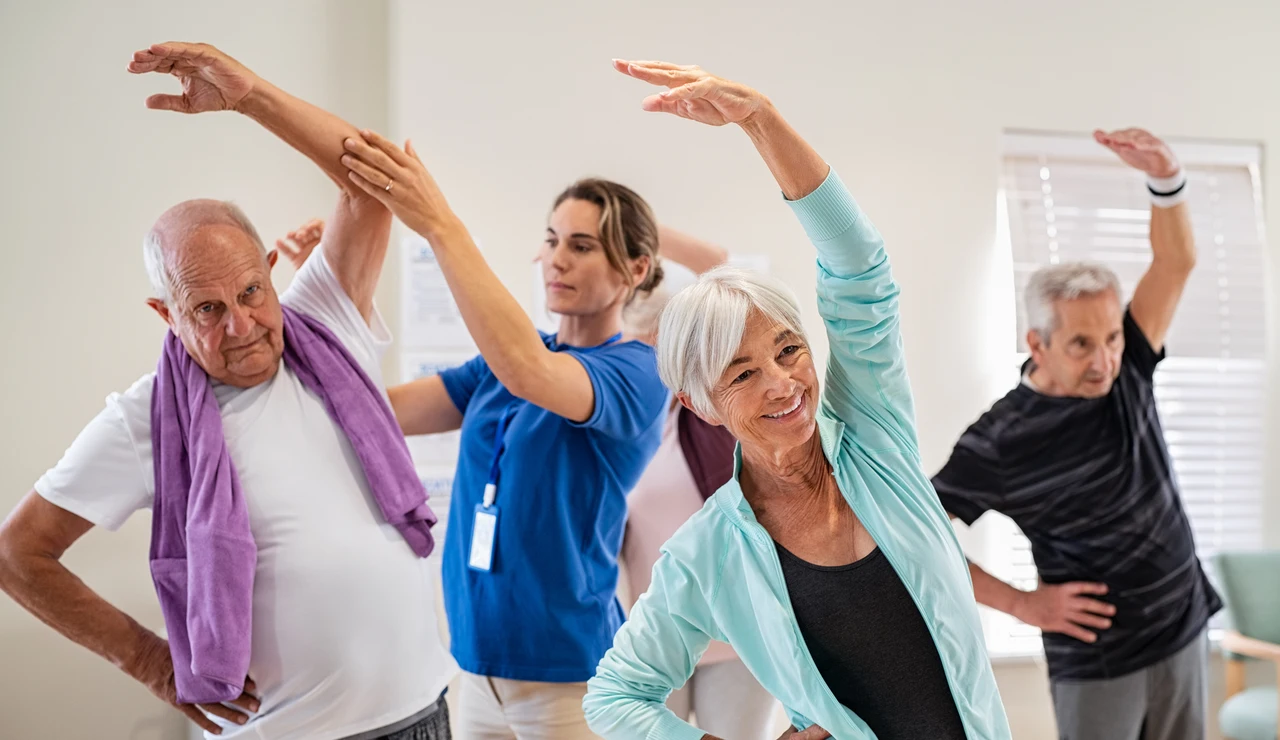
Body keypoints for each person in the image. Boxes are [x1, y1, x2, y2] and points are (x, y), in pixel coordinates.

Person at [0, 42, 455, 740]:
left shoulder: (326, 324)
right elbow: (17, 554)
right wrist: (150, 663)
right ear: (166, 314)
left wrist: (251, 98)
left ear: (271, 271)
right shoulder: (145, 419)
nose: (241, 325)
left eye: (250, 292)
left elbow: (369, 180)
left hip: (424, 716)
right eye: (207, 309)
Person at [582, 60, 1012, 740]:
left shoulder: (873, 439)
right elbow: (614, 697)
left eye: (788, 351)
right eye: (742, 374)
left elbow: (859, 269)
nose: (782, 383)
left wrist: (760, 119)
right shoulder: (709, 551)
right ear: (700, 404)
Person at [335, 118, 670, 737]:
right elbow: (376, 412)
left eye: (582, 246)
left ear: (635, 267)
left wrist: (441, 226)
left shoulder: (638, 372)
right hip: (476, 666)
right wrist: (335, 302)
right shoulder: (500, 366)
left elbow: (528, 370)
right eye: (552, 239)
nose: (556, 259)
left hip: (570, 680)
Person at [932, 128, 1217, 740]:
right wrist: (1022, 604)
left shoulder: (1128, 365)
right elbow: (917, 539)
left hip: (1183, 624)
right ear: (1037, 344)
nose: (1104, 360)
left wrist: (1166, 177)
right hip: (1099, 661)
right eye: (1081, 344)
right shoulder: (999, 440)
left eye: (1110, 337)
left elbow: (1176, 263)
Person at [618, 237, 783, 739]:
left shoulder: (715, 413)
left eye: (647, 344)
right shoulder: (621, 426)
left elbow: (722, 271)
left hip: (737, 635)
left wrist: (640, 228)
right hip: (655, 635)